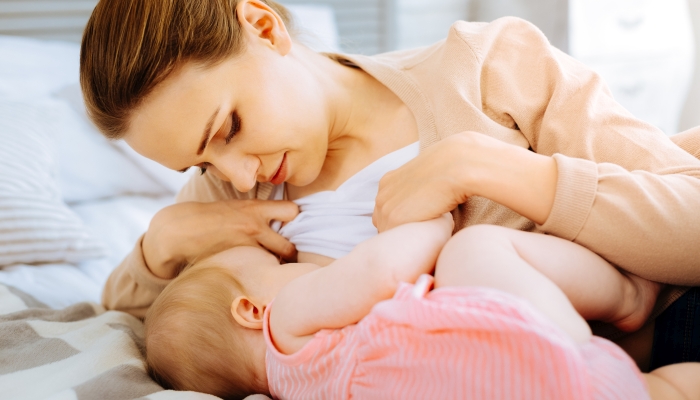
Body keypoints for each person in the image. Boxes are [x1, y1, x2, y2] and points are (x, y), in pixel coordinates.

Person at [80, 0, 700, 368]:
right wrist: (159, 243)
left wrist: (483, 167)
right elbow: (159, 331)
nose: (237, 173)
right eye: (201, 165)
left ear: (264, 28)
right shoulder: (237, 196)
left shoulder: (487, 67)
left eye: (231, 128)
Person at [144, 216, 697, 400]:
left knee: (662, 391)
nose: (296, 265)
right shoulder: (284, 322)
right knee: (473, 249)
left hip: (555, 385)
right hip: (544, 356)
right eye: (275, 267)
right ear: (248, 309)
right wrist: (432, 223)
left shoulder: (307, 387)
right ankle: (630, 295)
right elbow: (380, 271)